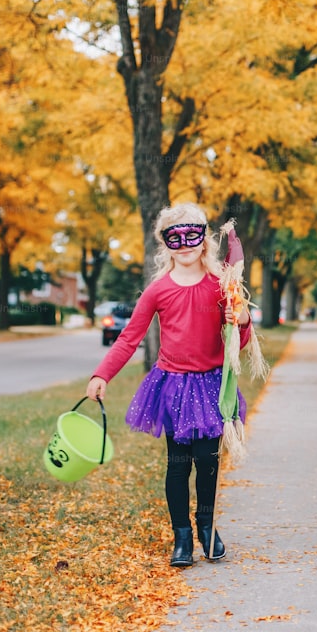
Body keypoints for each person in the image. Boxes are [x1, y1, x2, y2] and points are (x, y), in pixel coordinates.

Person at [86, 202, 253, 568]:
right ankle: (182, 537)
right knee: (178, 465)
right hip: (173, 387)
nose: (185, 243)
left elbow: (235, 346)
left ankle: (207, 529)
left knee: (208, 463)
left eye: (192, 234)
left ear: (204, 238)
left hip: (211, 387)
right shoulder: (158, 291)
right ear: (165, 243)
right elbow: (129, 337)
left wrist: (240, 321)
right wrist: (102, 374)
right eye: (174, 237)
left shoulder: (220, 286)